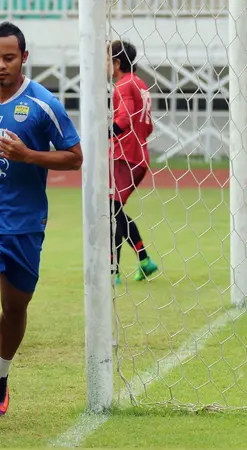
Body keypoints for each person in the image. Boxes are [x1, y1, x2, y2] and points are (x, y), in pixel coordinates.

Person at [0, 21, 83, 426]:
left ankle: (0, 372)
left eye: (9, 57)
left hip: (26, 224)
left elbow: (74, 157)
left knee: (14, 308)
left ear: (24, 58)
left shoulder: (45, 105)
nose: (1, 65)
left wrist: (29, 156)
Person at [107, 40, 159, 285]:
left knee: (110, 212)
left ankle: (112, 271)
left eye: (107, 59)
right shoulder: (140, 83)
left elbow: (125, 118)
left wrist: (104, 134)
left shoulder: (123, 84)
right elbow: (146, 126)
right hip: (138, 155)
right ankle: (145, 260)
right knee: (115, 211)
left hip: (124, 156)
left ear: (117, 63)